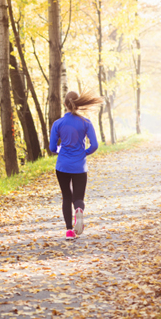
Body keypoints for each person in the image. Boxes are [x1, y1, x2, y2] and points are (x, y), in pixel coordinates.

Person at [49, 90, 103, 240]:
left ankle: (69, 231)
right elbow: (95, 145)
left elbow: (52, 148)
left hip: (62, 166)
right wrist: (83, 152)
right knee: (78, 197)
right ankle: (78, 209)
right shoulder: (86, 123)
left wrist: (61, 150)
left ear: (64, 104)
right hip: (80, 166)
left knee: (66, 197)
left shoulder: (58, 124)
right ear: (78, 104)